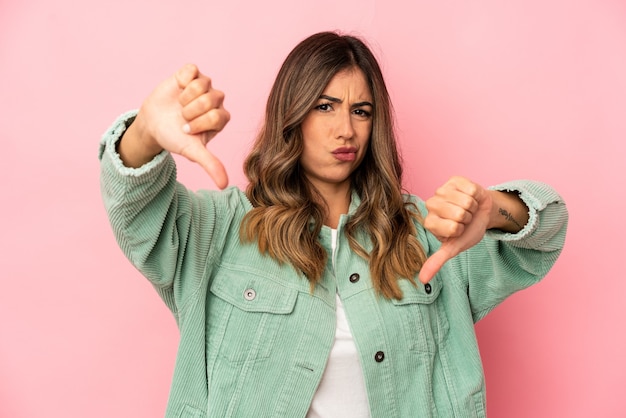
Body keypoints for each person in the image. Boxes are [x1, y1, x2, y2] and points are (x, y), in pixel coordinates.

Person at [99, 31, 568, 418]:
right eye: (325, 106)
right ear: (293, 114)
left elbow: (545, 233)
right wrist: (144, 133)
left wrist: (496, 209)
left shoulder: (426, 233)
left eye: (360, 110)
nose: (346, 129)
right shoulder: (221, 230)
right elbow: (137, 211)